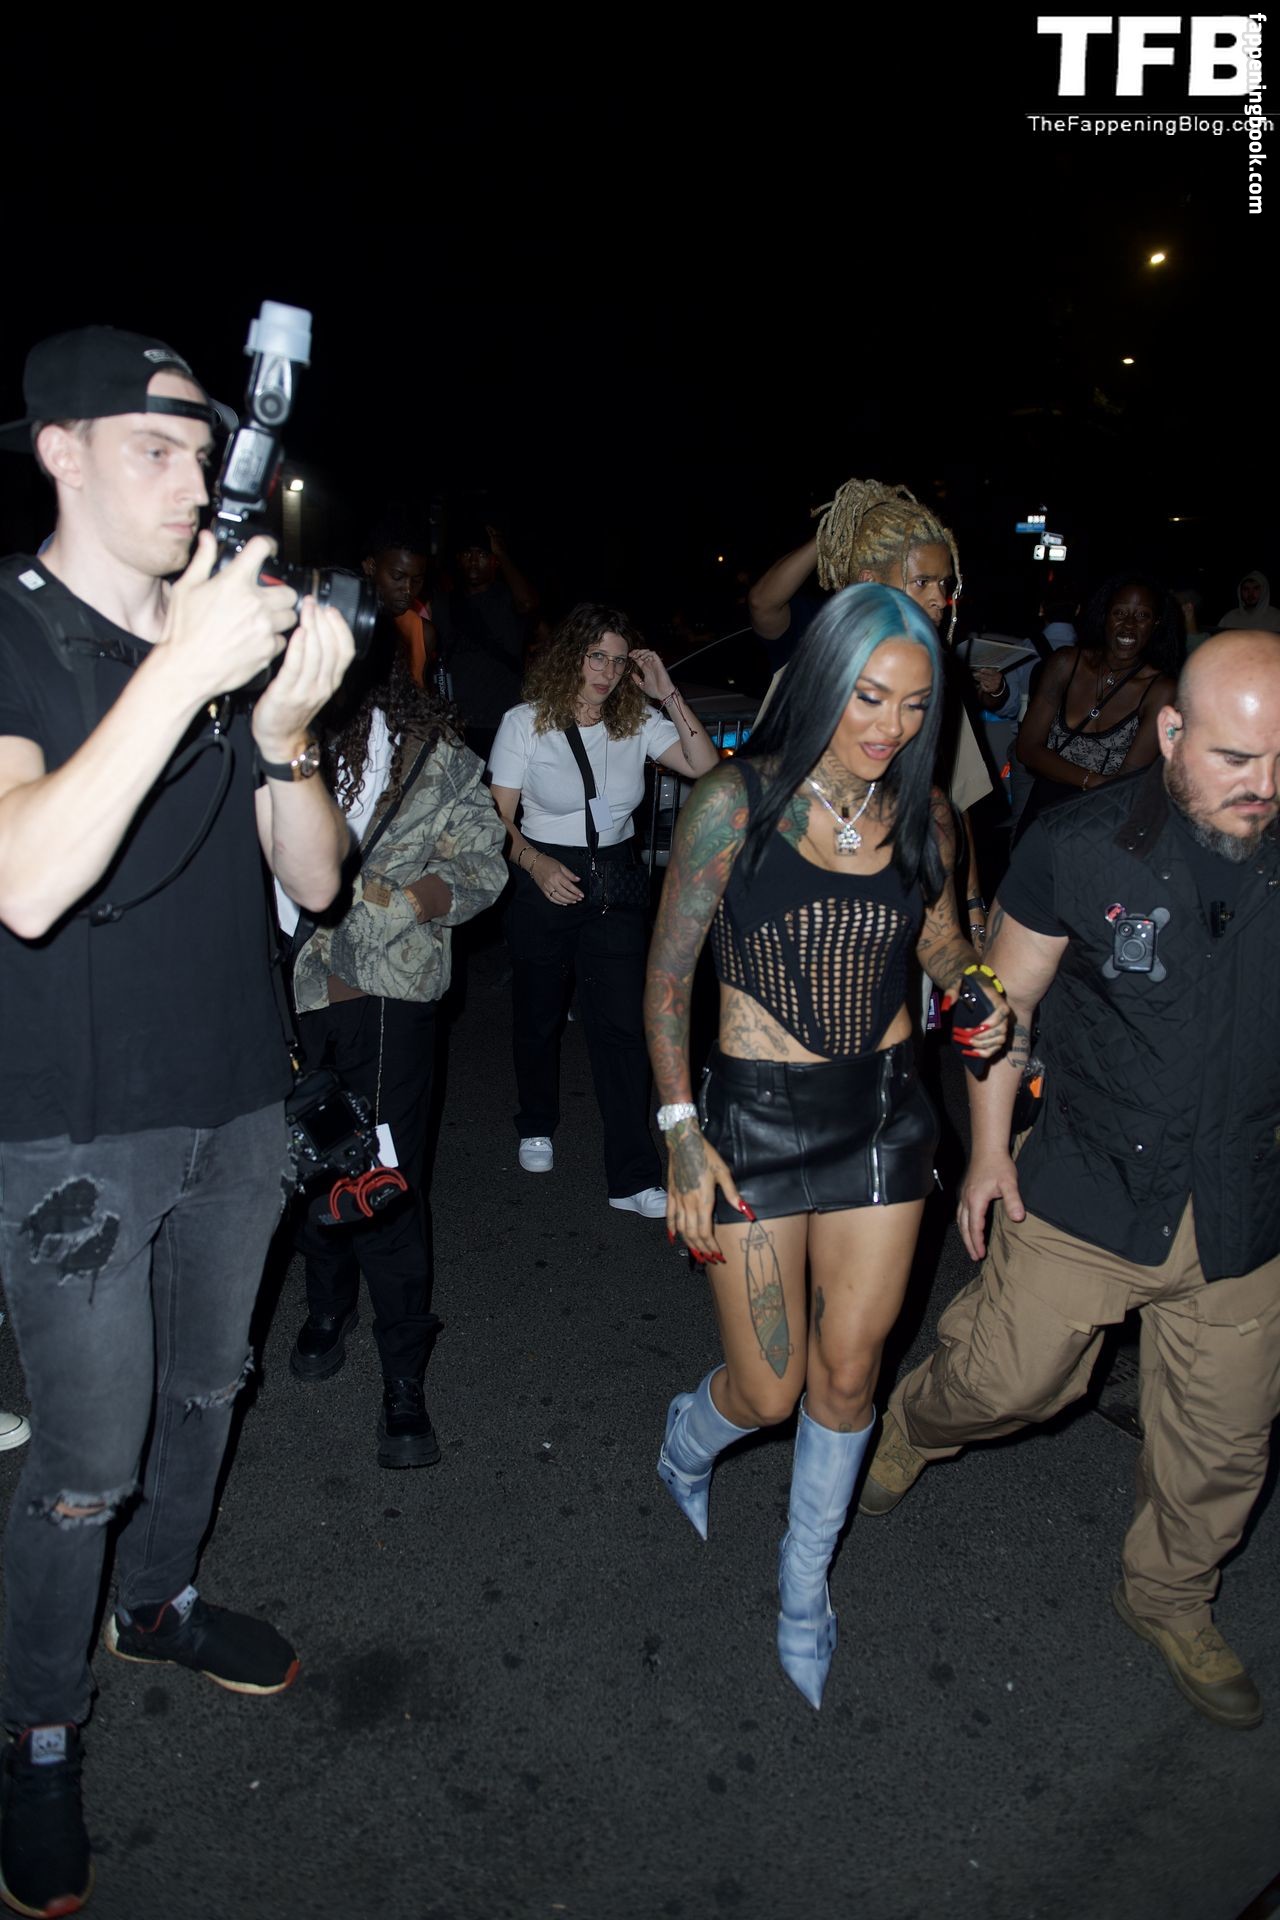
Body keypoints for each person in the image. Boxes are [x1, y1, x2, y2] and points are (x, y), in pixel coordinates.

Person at [0, 324, 356, 1916]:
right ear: (58, 450)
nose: (194, 479)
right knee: (84, 1458)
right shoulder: (12, 628)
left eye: (204, 453)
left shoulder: (220, 646)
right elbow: (25, 881)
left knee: (210, 1387)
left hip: (238, 1099)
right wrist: (185, 671)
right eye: (155, 448)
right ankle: (37, 1732)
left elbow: (318, 881)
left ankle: (158, 1604)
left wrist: (281, 733)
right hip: (67, 1132)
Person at [860, 631, 1280, 1732]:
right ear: (1171, 732)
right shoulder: (1080, 846)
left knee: (1223, 1443)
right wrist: (990, 1150)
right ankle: (914, 1422)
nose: (1262, 786)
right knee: (1010, 1385)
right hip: (1092, 1179)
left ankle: (1168, 1597)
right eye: (1236, 759)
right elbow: (1003, 1003)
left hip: (1245, 1206)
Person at [644, 583, 1010, 1709]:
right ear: (820, 682)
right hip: (752, 1119)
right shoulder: (733, 803)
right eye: (868, 696)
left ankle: (803, 1584)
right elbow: (667, 981)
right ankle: (689, 1434)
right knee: (768, 1391)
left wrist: (976, 987)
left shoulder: (927, 817)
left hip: (885, 1119)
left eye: (914, 704)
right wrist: (679, 1131)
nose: (891, 725)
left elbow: (943, 943)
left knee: (849, 1376)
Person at [283, 637, 507, 1465]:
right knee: (306, 1165)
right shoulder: (271, 744)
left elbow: (485, 865)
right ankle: (327, 1305)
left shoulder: (434, 761)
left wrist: (404, 902)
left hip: (388, 1002)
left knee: (382, 1180)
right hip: (286, 1000)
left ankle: (404, 1375)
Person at [489, 603, 720, 1213]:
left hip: (615, 880)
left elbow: (704, 765)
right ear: (573, 656)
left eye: (619, 662)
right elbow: (495, 816)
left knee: (622, 1028)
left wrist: (666, 692)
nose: (607, 673)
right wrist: (535, 863)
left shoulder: (636, 722)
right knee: (538, 1014)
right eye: (597, 657)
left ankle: (633, 1176)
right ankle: (536, 1122)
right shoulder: (524, 722)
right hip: (544, 872)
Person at [748, 480, 991, 952]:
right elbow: (763, 603)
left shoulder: (935, 680)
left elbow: (954, 802)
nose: (940, 599)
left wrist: (973, 908)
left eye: (945, 584)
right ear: (868, 583)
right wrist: (837, 530)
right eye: (922, 582)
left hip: (898, 896)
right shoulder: (813, 649)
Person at [1014, 574, 1179, 839]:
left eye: (1142, 616)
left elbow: (1125, 782)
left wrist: (1087, 781)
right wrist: (1092, 780)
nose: (1129, 625)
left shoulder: (1161, 690)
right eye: (1120, 613)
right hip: (1043, 811)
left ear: (1156, 624)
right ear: (1105, 616)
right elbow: (1026, 748)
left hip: (1102, 820)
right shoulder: (1065, 664)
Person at [432, 521, 539, 764]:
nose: (473, 560)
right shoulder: (443, 603)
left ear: (495, 562)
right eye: (468, 554)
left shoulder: (508, 599)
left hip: (501, 721)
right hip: (456, 723)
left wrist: (501, 552)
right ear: (458, 559)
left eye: (482, 554)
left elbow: (528, 604)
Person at [361, 520, 436, 687]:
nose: (408, 589)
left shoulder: (422, 633)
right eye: (397, 577)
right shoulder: (348, 623)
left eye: (417, 580)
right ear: (371, 567)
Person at [1218, 569, 1280, 634]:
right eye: (1246, 589)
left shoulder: (1276, 618)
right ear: (1240, 591)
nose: (1250, 594)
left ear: (1264, 590)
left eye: (1256, 588)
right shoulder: (1229, 618)